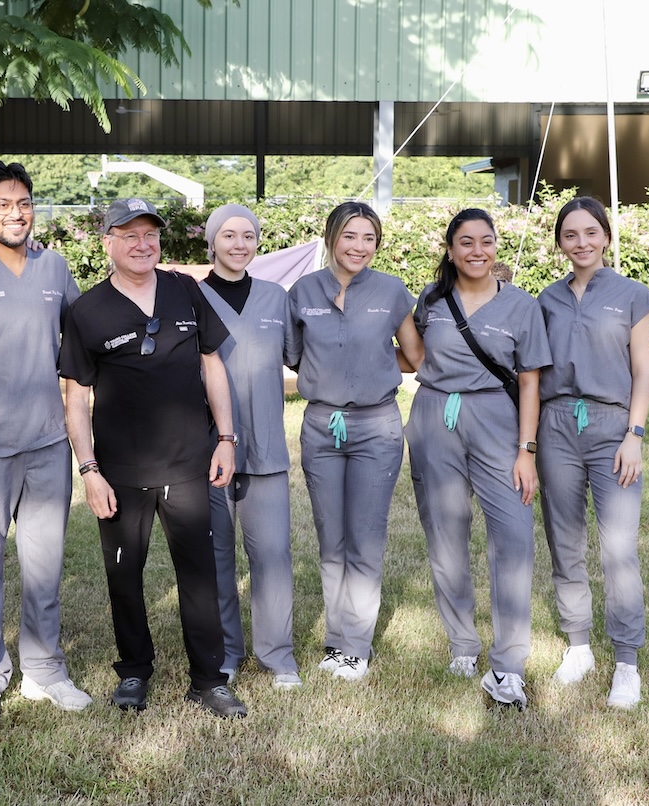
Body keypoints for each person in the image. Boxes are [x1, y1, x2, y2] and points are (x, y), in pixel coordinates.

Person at [59, 198, 247, 718]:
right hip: (121, 473)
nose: (142, 245)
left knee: (200, 574)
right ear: (108, 244)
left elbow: (212, 365)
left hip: (190, 464)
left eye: (150, 235)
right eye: (129, 235)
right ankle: (135, 671)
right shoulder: (87, 311)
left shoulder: (185, 291)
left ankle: (208, 679)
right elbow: (75, 399)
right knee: (125, 574)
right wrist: (89, 471)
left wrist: (226, 439)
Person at [0, 162, 89, 721]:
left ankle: (44, 668)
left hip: (48, 442)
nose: (16, 212)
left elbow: (87, 329)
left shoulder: (53, 266)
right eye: (3, 204)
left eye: (25, 202)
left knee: (44, 563)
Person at [404, 208, 550, 710]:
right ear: (450, 250)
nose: (477, 251)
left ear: (495, 247)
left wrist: (526, 450)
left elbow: (530, 379)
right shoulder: (432, 298)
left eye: (486, 241)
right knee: (445, 533)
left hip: (497, 421)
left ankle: (508, 664)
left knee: (513, 536)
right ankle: (463, 645)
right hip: (433, 418)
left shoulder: (521, 306)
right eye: (465, 242)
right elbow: (413, 355)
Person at [287, 201, 423, 682]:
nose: (359, 247)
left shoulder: (390, 292)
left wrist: (370, 367)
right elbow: (294, 356)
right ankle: (334, 639)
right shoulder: (303, 292)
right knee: (331, 538)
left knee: (365, 538)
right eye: (350, 236)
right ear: (331, 238)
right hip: (322, 427)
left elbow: (414, 356)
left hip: (376, 427)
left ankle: (355, 647)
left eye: (369, 238)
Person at [536, 197, 649, 710]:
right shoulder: (546, 298)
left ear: (606, 236)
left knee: (618, 549)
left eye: (590, 232)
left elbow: (644, 375)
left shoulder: (633, 296)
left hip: (612, 427)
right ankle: (579, 646)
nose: (581, 242)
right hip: (556, 426)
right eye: (570, 234)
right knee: (565, 542)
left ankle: (626, 662)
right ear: (561, 242)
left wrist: (635, 434)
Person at [198, 204, 300, 690]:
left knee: (273, 556)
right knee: (216, 557)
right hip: (210, 454)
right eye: (229, 235)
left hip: (267, 453)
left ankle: (278, 656)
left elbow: (301, 359)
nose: (239, 244)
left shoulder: (276, 298)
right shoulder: (191, 299)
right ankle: (224, 653)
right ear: (212, 241)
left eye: (249, 236)